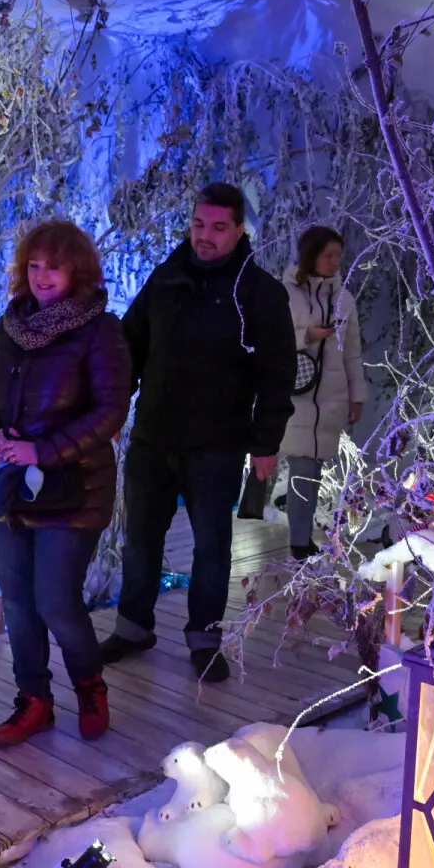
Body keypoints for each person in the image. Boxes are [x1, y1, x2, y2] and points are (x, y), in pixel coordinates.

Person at [104, 183, 295, 682]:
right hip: (153, 439)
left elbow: (277, 375)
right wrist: (113, 408)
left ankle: (205, 640)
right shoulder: (166, 278)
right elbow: (130, 345)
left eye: (218, 227)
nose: (205, 235)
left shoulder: (259, 294)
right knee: (141, 542)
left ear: (239, 231)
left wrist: (265, 443)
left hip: (217, 445)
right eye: (198, 224)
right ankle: (133, 628)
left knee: (211, 547)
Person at [0, 220, 131, 747]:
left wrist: (42, 450)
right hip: (12, 488)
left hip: (74, 489)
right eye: (33, 265)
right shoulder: (9, 326)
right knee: (16, 603)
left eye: (54, 267)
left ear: (77, 270)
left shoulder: (100, 330)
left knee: (56, 601)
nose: (41, 276)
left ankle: (89, 687)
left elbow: (110, 411)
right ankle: (34, 700)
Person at [281, 226, 367, 561]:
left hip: (329, 398)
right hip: (296, 396)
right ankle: (299, 542)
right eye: (328, 254)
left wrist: (357, 396)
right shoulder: (286, 294)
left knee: (313, 470)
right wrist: (307, 335)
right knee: (303, 468)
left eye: (337, 255)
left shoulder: (343, 300)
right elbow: (271, 341)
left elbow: (352, 354)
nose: (334, 262)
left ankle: (303, 539)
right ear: (311, 255)